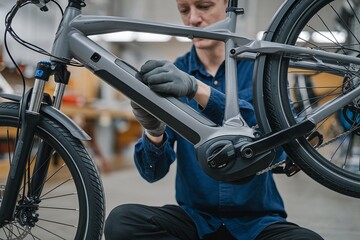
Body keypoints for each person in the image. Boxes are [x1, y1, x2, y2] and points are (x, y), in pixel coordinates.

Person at [104, 0, 324, 239]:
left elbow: (284, 150)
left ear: (230, 7)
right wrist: (153, 132)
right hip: (195, 222)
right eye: (184, 10)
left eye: (204, 6)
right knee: (121, 222)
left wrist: (198, 89)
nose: (193, 20)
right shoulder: (171, 75)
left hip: (257, 224)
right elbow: (152, 172)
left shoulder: (262, 72)